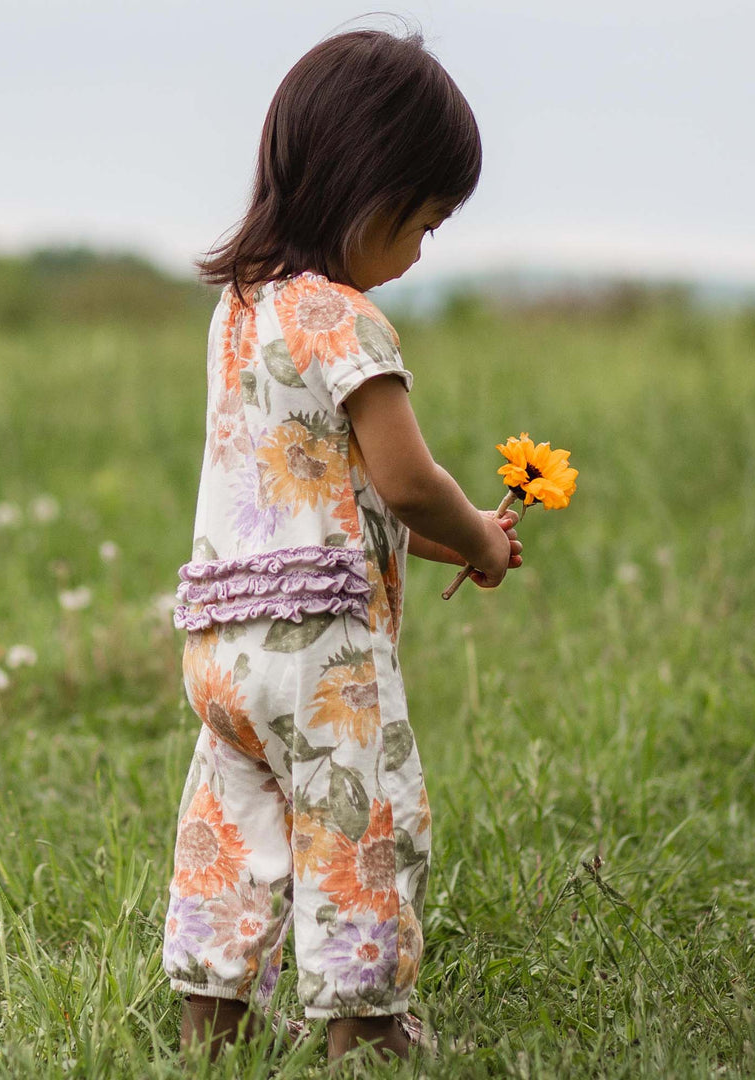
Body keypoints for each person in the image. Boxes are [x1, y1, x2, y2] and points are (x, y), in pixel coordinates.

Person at [160, 27, 522, 1064]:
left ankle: (209, 1021)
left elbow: (324, 478)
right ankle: (362, 1026)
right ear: (369, 191)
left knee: (231, 829)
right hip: (323, 653)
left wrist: (441, 545)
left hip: (220, 644)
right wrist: (482, 541)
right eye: (422, 221)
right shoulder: (343, 319)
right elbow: (407, 480)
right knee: (358, 822)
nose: (420, 251)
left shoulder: (242, 311)